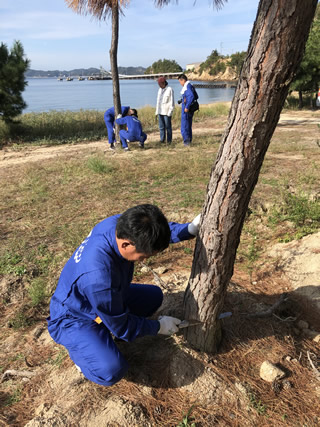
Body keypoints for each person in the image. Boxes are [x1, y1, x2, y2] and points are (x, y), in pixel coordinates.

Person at [47, 204, 201, 387]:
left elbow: (154, 231)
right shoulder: (99, 278)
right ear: (126, 244)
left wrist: (188, 229)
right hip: (74, 316)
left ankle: (103, 331)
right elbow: (121, 327)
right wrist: (158, 327)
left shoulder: (120, 225)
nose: (144, 260)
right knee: (111, 369)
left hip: (103, 295)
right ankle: (85, 358)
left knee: (153, 297)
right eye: (143, 257)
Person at [178, 74, 199, 146]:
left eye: (180, 82)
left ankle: (186, 142)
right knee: (188, 125)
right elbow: (196, 96)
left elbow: (191, 96)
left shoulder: (187, 87)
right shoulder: (190, 85)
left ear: (183, 80)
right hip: (190, 109)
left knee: (184, 126)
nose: (180, 84)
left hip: (187, 109)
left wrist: (187, 106)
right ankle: (189, 140)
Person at [155, 76, 175, 144]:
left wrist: (170, 112)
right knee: (161, 127)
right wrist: (156, 112)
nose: (159, 85)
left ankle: (169, 141)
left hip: (167, 112)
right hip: (160, 111)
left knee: (168, 127)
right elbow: (158, 101)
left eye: (159, 84)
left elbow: (172, 102)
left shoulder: (170, 89)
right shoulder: (159, 90)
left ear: (163, 83)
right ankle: (162, 140)